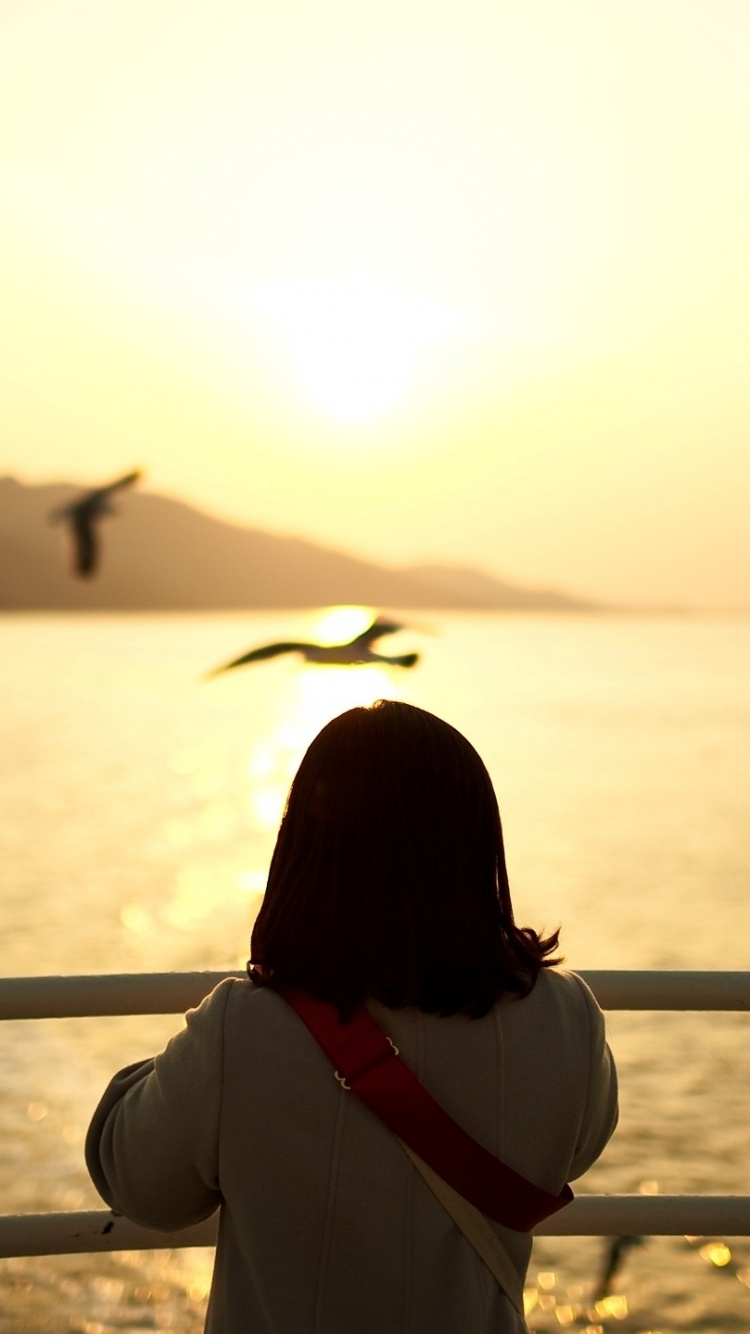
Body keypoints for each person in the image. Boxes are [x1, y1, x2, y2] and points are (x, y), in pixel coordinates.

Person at [86, 699, 618, 1333]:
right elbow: (573, 1151)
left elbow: (145, 1189)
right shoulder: (567, 1019)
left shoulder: (242, 1030)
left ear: (305, 847)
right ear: (476, 846)